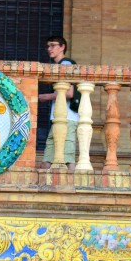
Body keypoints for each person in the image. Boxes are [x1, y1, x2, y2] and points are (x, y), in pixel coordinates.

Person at [38, 36, 79, 171]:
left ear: (62, 47)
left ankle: (72, 188)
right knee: (47, 160)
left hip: (67, 118)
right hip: (59, 119)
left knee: (67, 160)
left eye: (53, 45)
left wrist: (46, 96)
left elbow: (69, 93)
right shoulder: (58, 66)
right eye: (48, 46)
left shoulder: (65, 65)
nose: (49, 49)